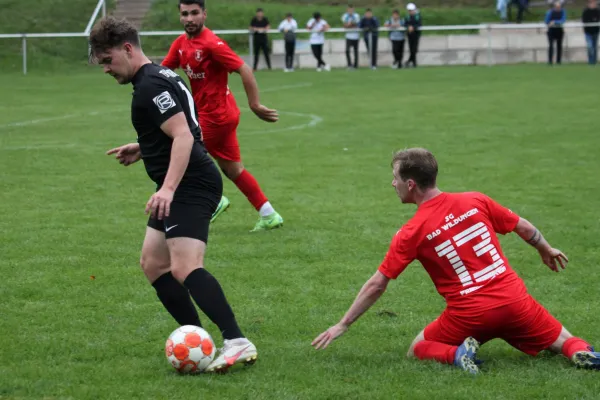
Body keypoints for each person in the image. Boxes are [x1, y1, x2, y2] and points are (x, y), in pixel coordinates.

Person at [312, 148, 600, 374]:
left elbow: (377, 285)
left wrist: (343, 324)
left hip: (469, 315)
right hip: (514, 302)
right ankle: (578, 351)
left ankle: (458, 354)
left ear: (410, 184)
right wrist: (545, 249)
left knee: (419, 348)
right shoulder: (475, 200)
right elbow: (522, 226)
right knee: (561, 339)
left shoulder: (410, 232)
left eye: (395, 178)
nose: (392, 183)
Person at [89, 15, 258, 373]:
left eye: (107, 60)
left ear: (128, 48)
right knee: (153, 264)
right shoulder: (161, 77)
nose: (105, 69)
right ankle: (196, 338)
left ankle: (237, 341)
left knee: (184, 266)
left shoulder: (151, 84)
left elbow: (182, 136)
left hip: (189, 183)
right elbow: (187, 127)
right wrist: (144, 147)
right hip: (182, 179)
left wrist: (167, 187)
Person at [161, 0, 284, 232]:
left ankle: (215, 200)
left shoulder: (211, 44)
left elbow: (244, 68)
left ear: (204, 14)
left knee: (179, 152)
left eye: (194, 13)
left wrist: (255, 104)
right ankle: (268, 214)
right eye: (185, 14)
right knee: (233, 169)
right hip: (217, 114)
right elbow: (163, 72)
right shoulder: (180, 44)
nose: (189, 18)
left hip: (216, 115)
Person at [545, 1, 567, 65]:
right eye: (557, 7)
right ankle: (550, 61)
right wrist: (551, 22)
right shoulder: (550, 12)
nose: (558, 8)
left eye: (559, 7)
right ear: (554, 7)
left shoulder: (563, 11)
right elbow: (546, 21)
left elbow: (563, 20)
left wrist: (554, 21)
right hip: (551, 31)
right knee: (551, 46)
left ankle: (558, 61)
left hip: (559, 30)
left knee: (559, 46)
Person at [342, 5, 361, 69]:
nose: (350, 11)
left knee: (356, 51)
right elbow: (345, 25)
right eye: (349, 10)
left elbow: (356, 24)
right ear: (347, 10)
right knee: (347, 51)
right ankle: (349, 65)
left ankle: (355, 65)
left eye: (351, 10)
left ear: (353, 10)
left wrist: (349, 24)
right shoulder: (345, 16)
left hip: (356, 36)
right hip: (348, 36)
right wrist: (350, 24)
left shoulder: (356, 15)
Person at [403, 3, 422, 68]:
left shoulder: (417, 16)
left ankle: (409, 61)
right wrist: (408, 27)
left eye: (411, 10)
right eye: (409, 10)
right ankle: (414, 63)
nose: (410, 11)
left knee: (414, 49)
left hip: (416, 34)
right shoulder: (407, 16)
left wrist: (413, 27)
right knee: (411, 49)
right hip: (410, 34)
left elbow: (419, 24)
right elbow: (405, 24)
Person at [582, 0, 600, 65]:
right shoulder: (586, 11)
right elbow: (584, 20)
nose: (593, 4)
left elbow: (597, 19)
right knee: (590, 46)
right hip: (588, 32)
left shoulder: (598, 11)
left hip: (596, 31)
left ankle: (594, 62)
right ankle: (590, 61)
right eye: (592, 3)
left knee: (595, 47)